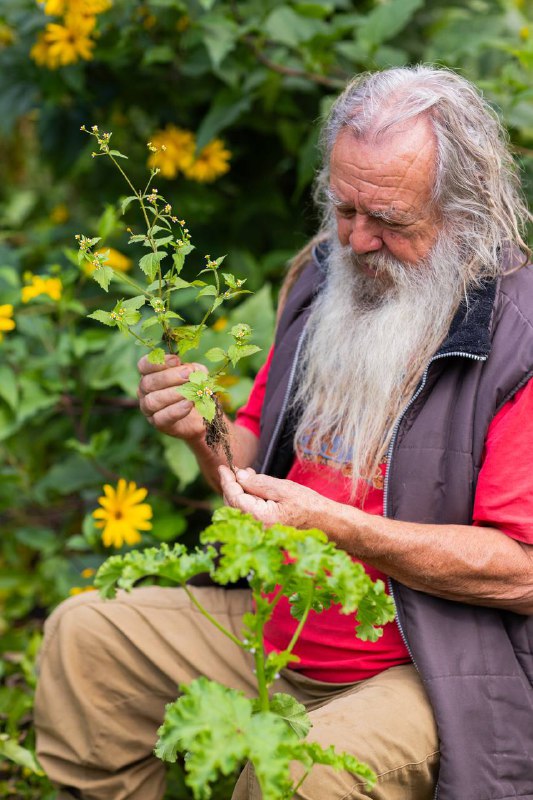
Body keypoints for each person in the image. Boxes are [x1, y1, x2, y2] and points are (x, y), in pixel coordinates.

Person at [35, 65, 533, 800]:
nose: (356, 241)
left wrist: (340, 527)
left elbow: (521, 569)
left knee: (303, 769)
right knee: (88, 640)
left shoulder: (518, 338)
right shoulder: (325, 278)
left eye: (388, 220)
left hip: (434, 665)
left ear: (464, 212)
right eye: (342, 208)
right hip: (279, 625)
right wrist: (197, 431)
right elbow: (247, 468)